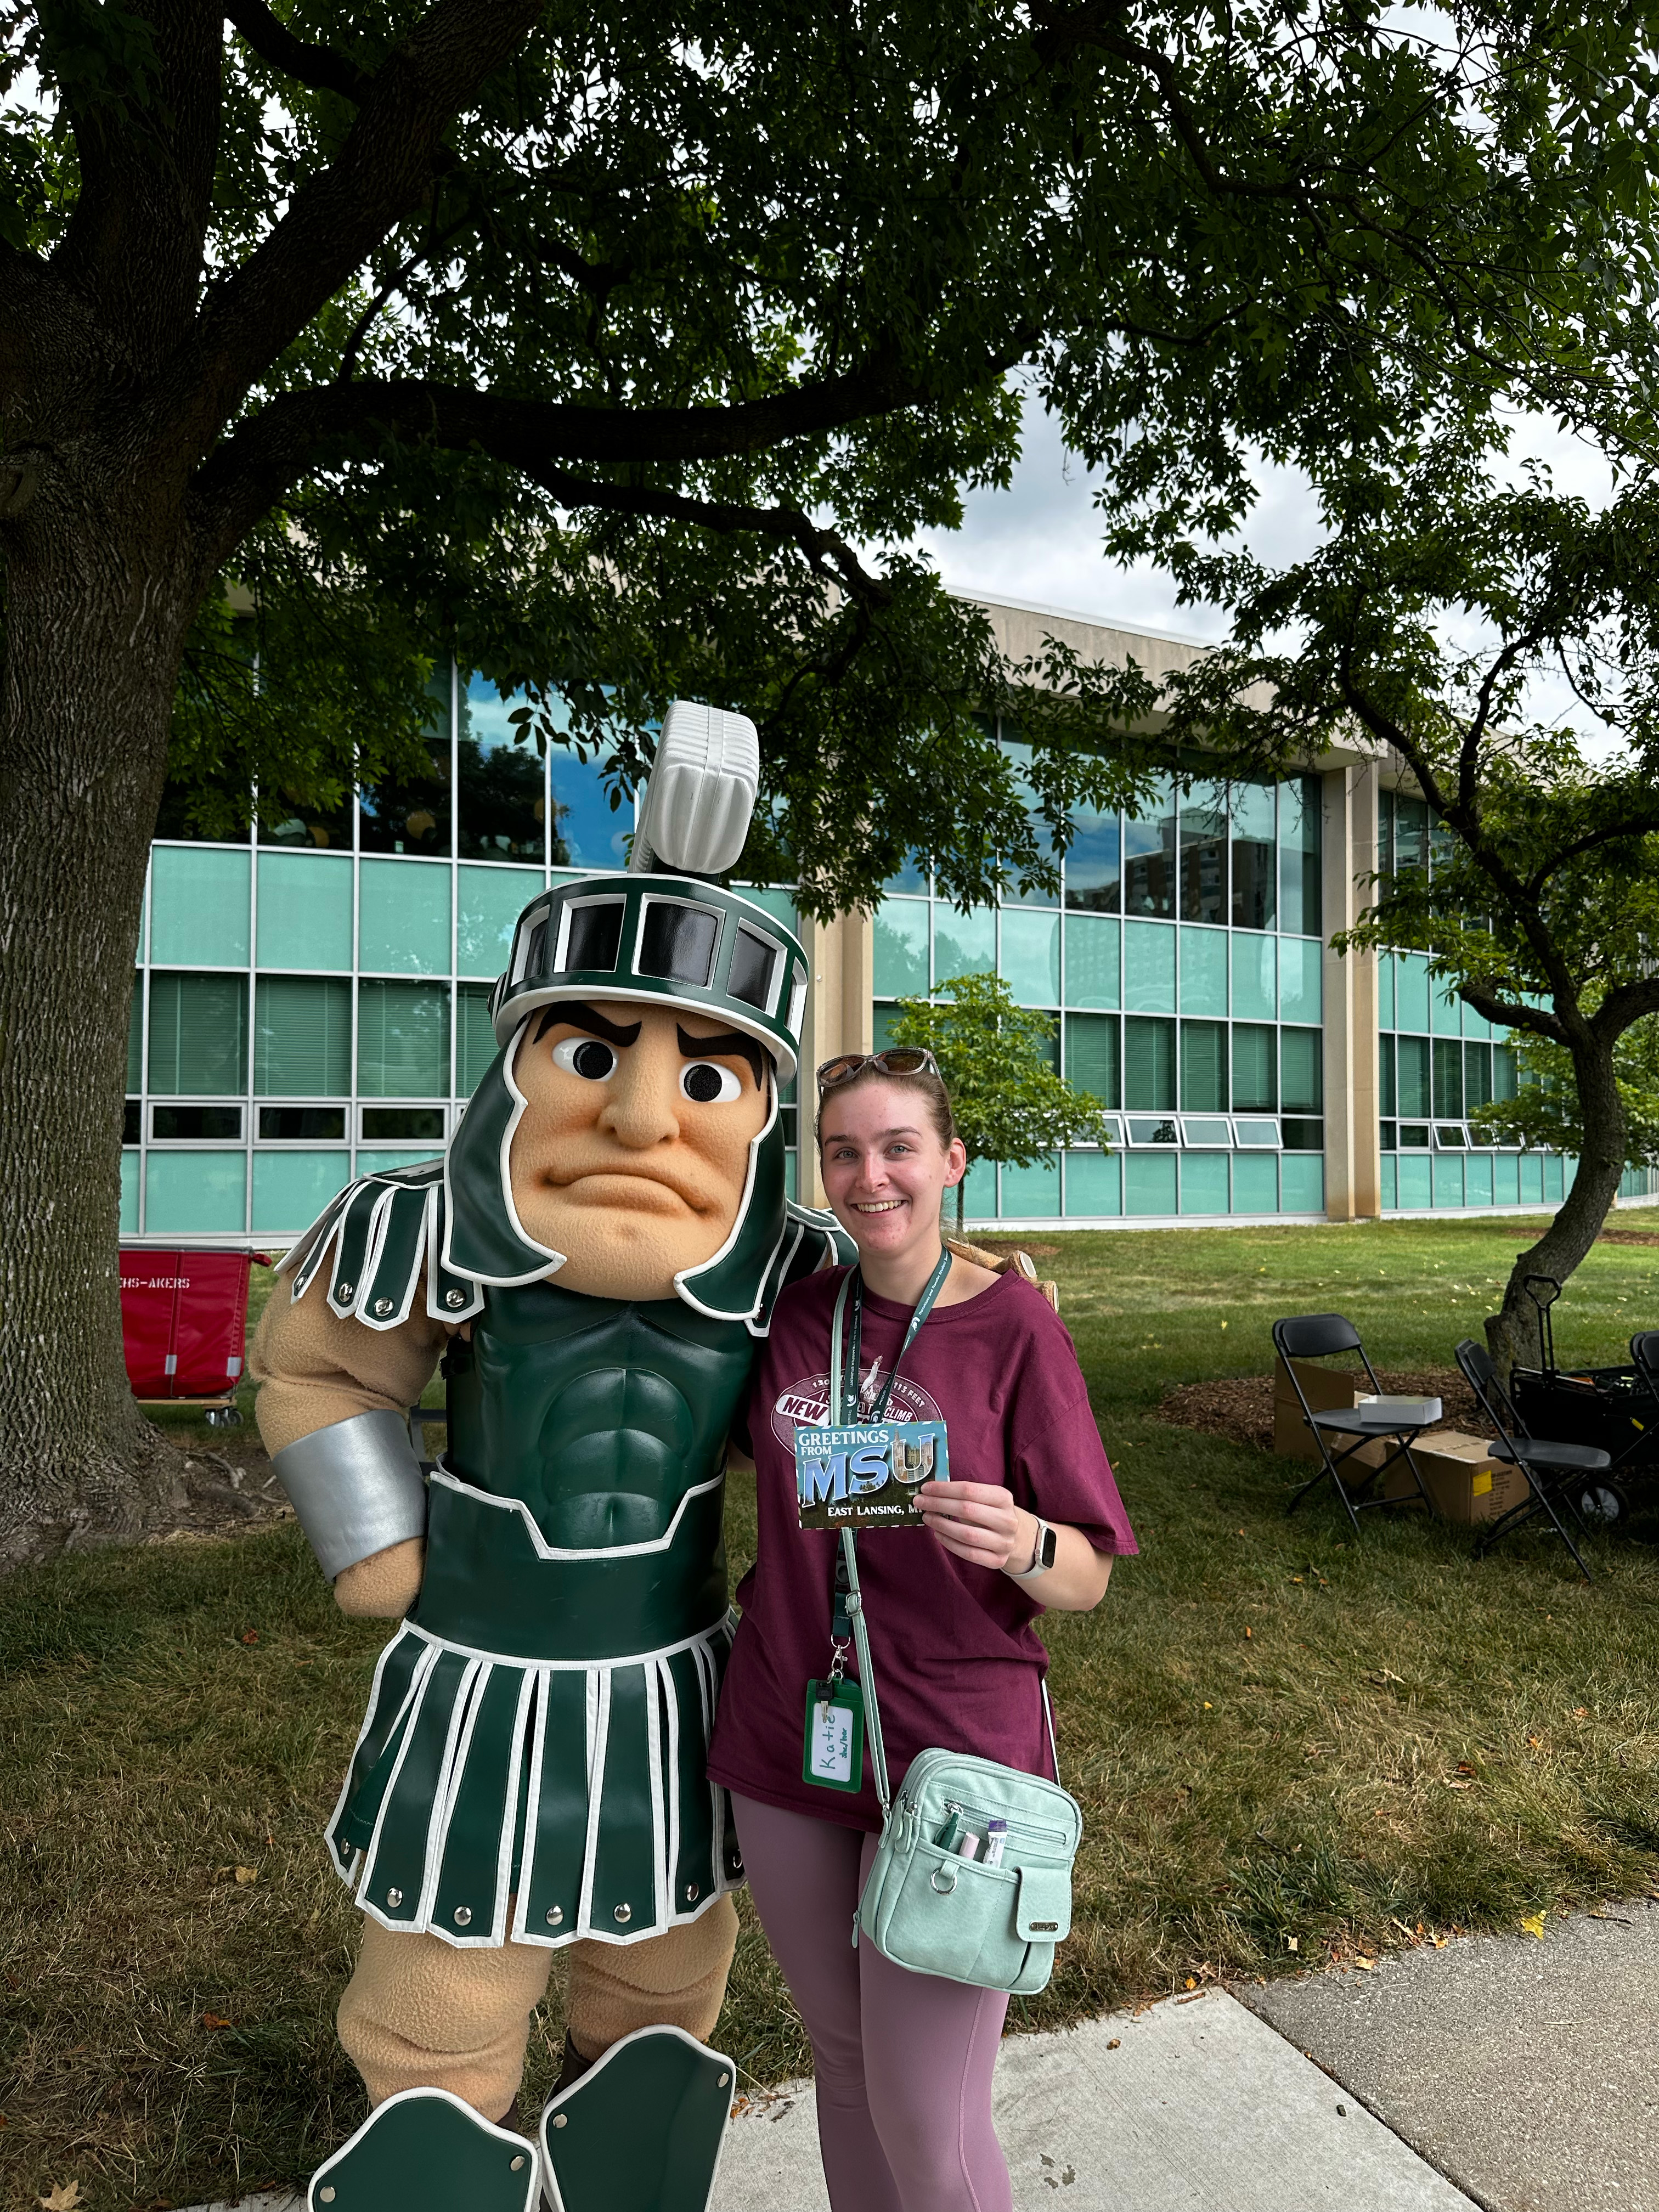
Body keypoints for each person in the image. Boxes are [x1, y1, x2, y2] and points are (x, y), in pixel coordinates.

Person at [250, 704, 851, 2212]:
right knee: (443, 1996)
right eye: (594, 1053)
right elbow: (316, 1364)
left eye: (709, 1076)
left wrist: (854, 1563)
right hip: (482, 1678)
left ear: (763, 1108)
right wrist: (374, 1537)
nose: (646, 1112)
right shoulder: (421, 1229)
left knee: (666, 1979)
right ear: (518, 1061)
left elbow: (864, 1426)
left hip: (680, 1681)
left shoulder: (800, 1271)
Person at [708, 1047, 1138, 2212]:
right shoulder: (798, 1319)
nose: (870, 1175)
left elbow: (1090, 1573)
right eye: (843, 1151)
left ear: (951, 1161)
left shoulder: (1015, 1331)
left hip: (959, 1758)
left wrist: (1024, 1544)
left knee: (926, 2112)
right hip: (795, 1732)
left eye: (899, 1147)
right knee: (842, 2069)